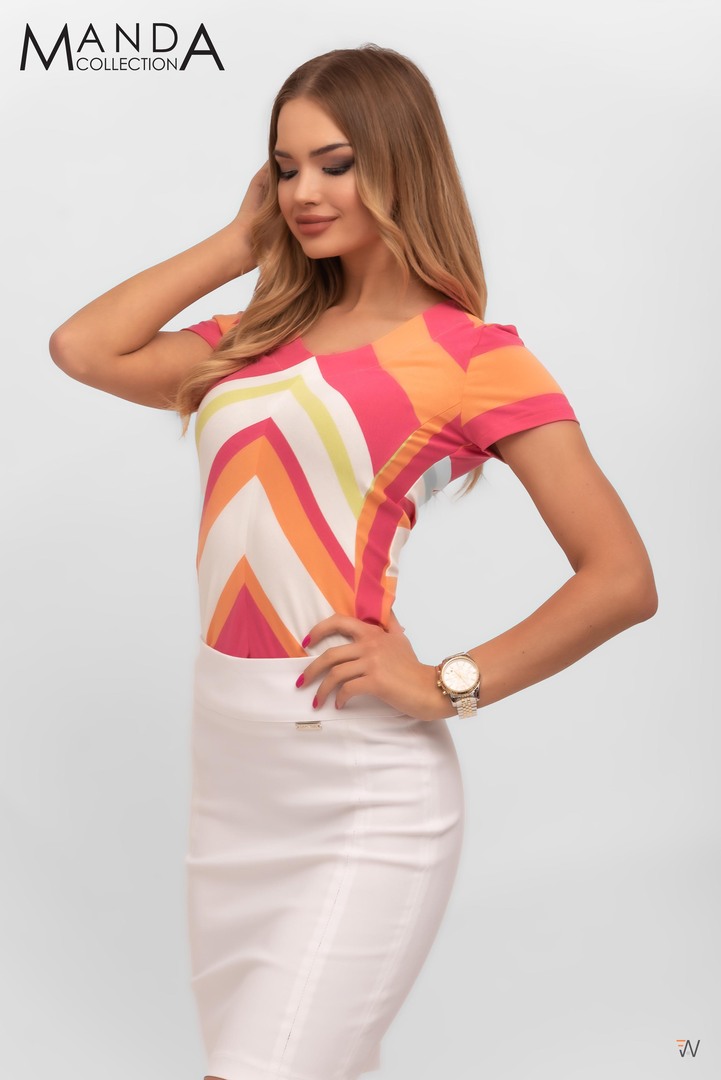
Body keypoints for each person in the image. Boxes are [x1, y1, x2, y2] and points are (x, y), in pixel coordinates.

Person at [49, 43, 657, 1080]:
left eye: (335, 164)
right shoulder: (251, 339)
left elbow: (620, 577)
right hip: (231, 776)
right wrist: (236, 242)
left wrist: (446, 684)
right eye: (285, 168)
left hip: (360, 785)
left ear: (398, 162)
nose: (304, 192)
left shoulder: (473, 357)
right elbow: (83, 348)